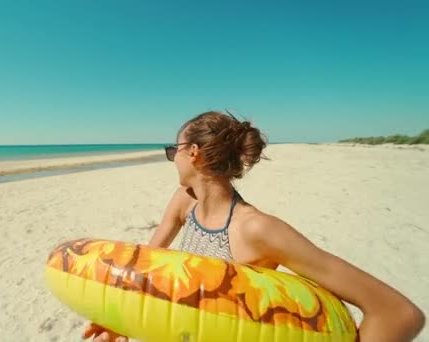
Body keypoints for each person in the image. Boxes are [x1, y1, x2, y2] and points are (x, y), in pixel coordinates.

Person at [82, 110, 425, 342]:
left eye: (175, 149)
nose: (172, 158)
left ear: (195, 153)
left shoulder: (257, 229)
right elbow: (148, 268)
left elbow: (397, 313)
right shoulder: (184, 199)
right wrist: (116, 322)